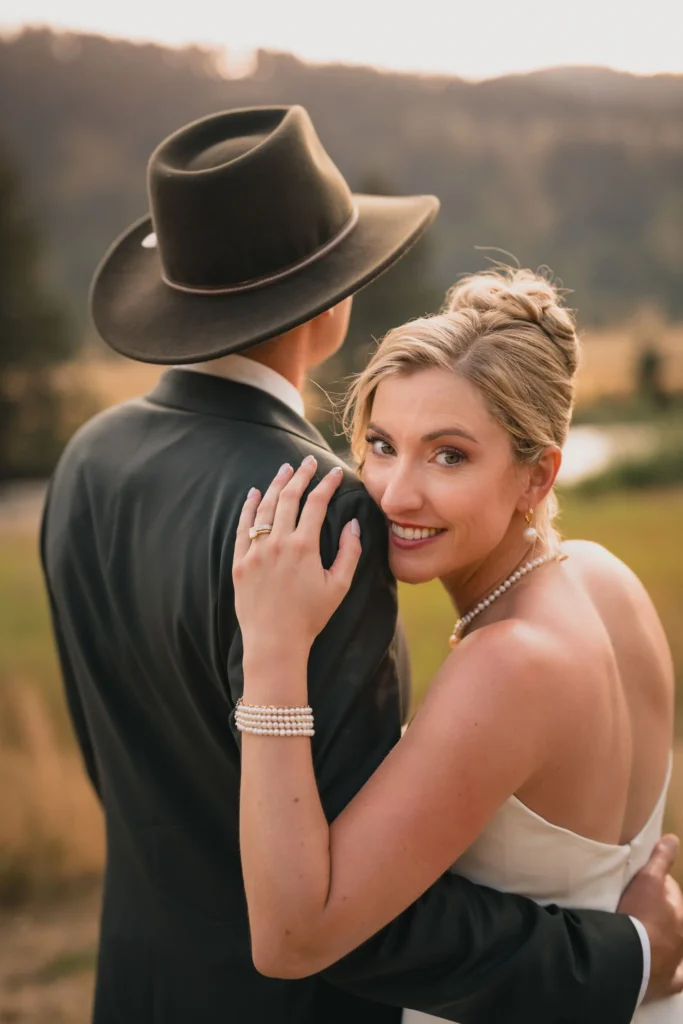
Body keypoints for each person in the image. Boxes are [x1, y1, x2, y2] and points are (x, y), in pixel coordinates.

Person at [40, 106, 683, 1024]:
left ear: (538, 472)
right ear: (332, 299)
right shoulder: (588, 575)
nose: (389, 491)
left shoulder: (87, 460)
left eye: (449, 455)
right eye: (378, 444)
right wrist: (619, 958)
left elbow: (146, 790)